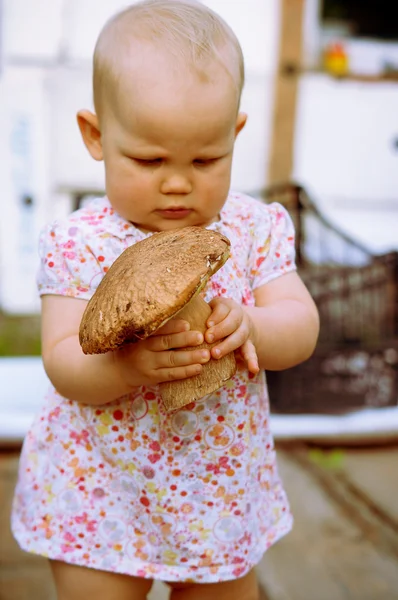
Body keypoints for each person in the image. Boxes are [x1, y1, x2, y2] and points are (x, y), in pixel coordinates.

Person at [11, 1, 319, 599]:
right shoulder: (78, 242)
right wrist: (124, 366)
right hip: (99, 485)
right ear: (97, 136)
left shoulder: (254, 229)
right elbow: (61, 360)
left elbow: (300, 326)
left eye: (206, 159)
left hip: (215, 487)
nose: (177, 182)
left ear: (235, 135)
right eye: (148, 160)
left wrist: (253, 325)